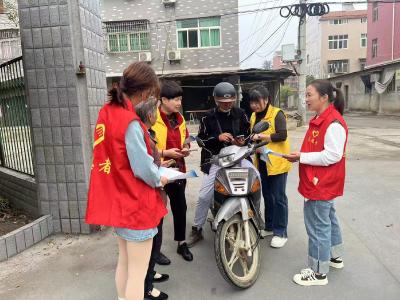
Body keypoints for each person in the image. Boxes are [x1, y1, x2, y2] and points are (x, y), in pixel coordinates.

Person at [85, 62, 168, 300]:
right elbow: (142, 168)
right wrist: (159, 178)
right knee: (137, 274)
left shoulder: (108, 111)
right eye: (152, 93)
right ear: (145, 92)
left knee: (124, 263)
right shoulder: (130, 121)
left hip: (120, 199)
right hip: (136, 204)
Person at [284, 79, 347, 286]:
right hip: (320, 181)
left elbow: (332, 156)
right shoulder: (322, 118)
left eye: (309, 94)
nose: (306, 99)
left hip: (321, 183)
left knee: (318, 225)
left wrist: (301, 157)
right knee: (328, 217)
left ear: (324, 97)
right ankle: (334, 256)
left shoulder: (333, 123)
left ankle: (318, 272)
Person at [188, 82, 252, 247]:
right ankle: (197, 228)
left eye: (230, 101)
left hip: (239, 157)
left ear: (234, 99)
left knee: (255, 182)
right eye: (223, 102)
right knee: (204, 195)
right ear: (216, 100)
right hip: (217, 159)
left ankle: (255, 218)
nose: (227, 104)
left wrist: (243, 141)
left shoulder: (241, 114)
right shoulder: (207, 117)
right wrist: (218, 138)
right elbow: (201, 139)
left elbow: (249, 136)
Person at [151, 80, 193, 261]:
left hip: (177, 170)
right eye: (175, 99)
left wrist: (186, 147)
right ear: (163, 100)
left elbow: (185, 138)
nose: (179, 103)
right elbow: (145, 146)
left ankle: (181, 243)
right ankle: (155, 250)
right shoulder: (152, 118)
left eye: (180, 99)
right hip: (157, 171)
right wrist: (163, 153)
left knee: (180, 207)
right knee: (158, 210)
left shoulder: (180, 119)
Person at [249, 85, 292, 248]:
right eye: (252, 102)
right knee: (267, 195)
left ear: (266, 100)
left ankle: (281, 232)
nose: (254, 106)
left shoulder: (277, 114)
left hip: (277, 163)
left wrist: (263, 136)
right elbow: (252, 134)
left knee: (279, 198)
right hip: (261, 163)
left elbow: (282, 135)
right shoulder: (253, 116)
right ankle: (269, 226)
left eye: (257, 102)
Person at [136, 98, 169, 300]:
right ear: (150, 115)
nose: (158, 114)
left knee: (156, 236)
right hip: (150, 194)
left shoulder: (147, 133)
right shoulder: (141, 135)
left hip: (155, 193)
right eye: (156, 111)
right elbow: (146, 168)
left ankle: (150, 273)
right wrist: (160, 177)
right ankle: (146, 287)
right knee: (151, 240)